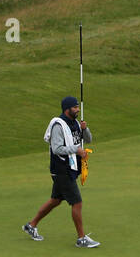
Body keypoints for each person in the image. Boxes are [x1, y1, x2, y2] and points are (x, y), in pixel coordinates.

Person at [24, 96, 99, 248]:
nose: (78, 109)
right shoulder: (58, 126)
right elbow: (57, 148)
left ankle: (31, 225)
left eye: (78, 107)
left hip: (69, 169)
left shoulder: (76, 123)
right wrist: (76, 150)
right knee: (77, 202)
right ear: (67, 109)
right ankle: (81, 239)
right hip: (61, 169)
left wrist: (85, 129)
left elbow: (89, 140)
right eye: (75, 107)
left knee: (55, 200)